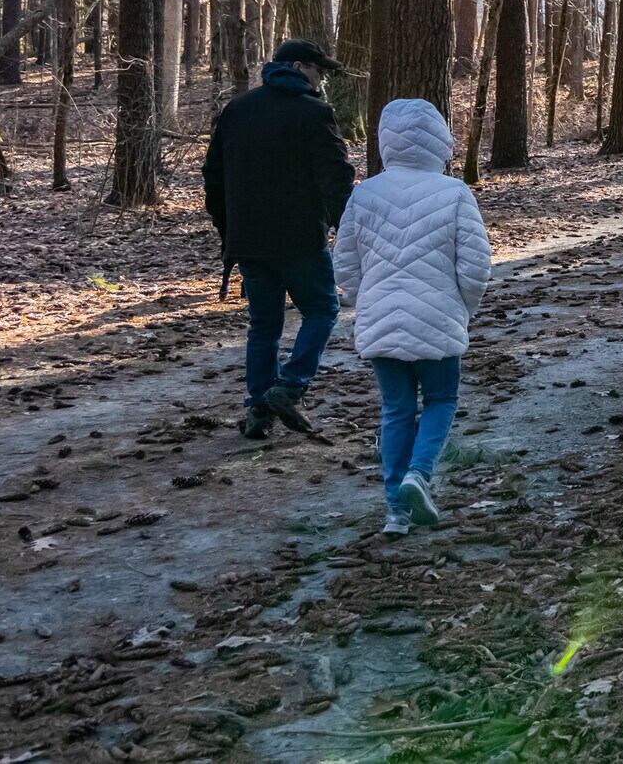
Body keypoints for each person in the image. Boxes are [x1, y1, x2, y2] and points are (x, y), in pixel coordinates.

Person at [333, 98, 491, 536]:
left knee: (396, 409)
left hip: (380, 320)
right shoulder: (455, 193)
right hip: (439, 317)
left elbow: (345, 263)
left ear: (386, 141)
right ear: (439, 140)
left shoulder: (363, 193)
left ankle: (394, 513)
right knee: (441, 400)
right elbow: (476, 267)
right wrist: (463, 307)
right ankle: (418, 476)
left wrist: (367, 302)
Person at [203, 39, 356, 439]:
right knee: (322, 311)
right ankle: (288, 387)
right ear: (297, 66)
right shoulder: (314, 113)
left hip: (249, 241)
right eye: (318, 70)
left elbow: (213, 180)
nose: (321, 79)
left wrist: (229, 232)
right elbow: (335, 180)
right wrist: (349, 229)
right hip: (300, 239)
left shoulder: (237, 111)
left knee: (264, 326)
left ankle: (258, 410)